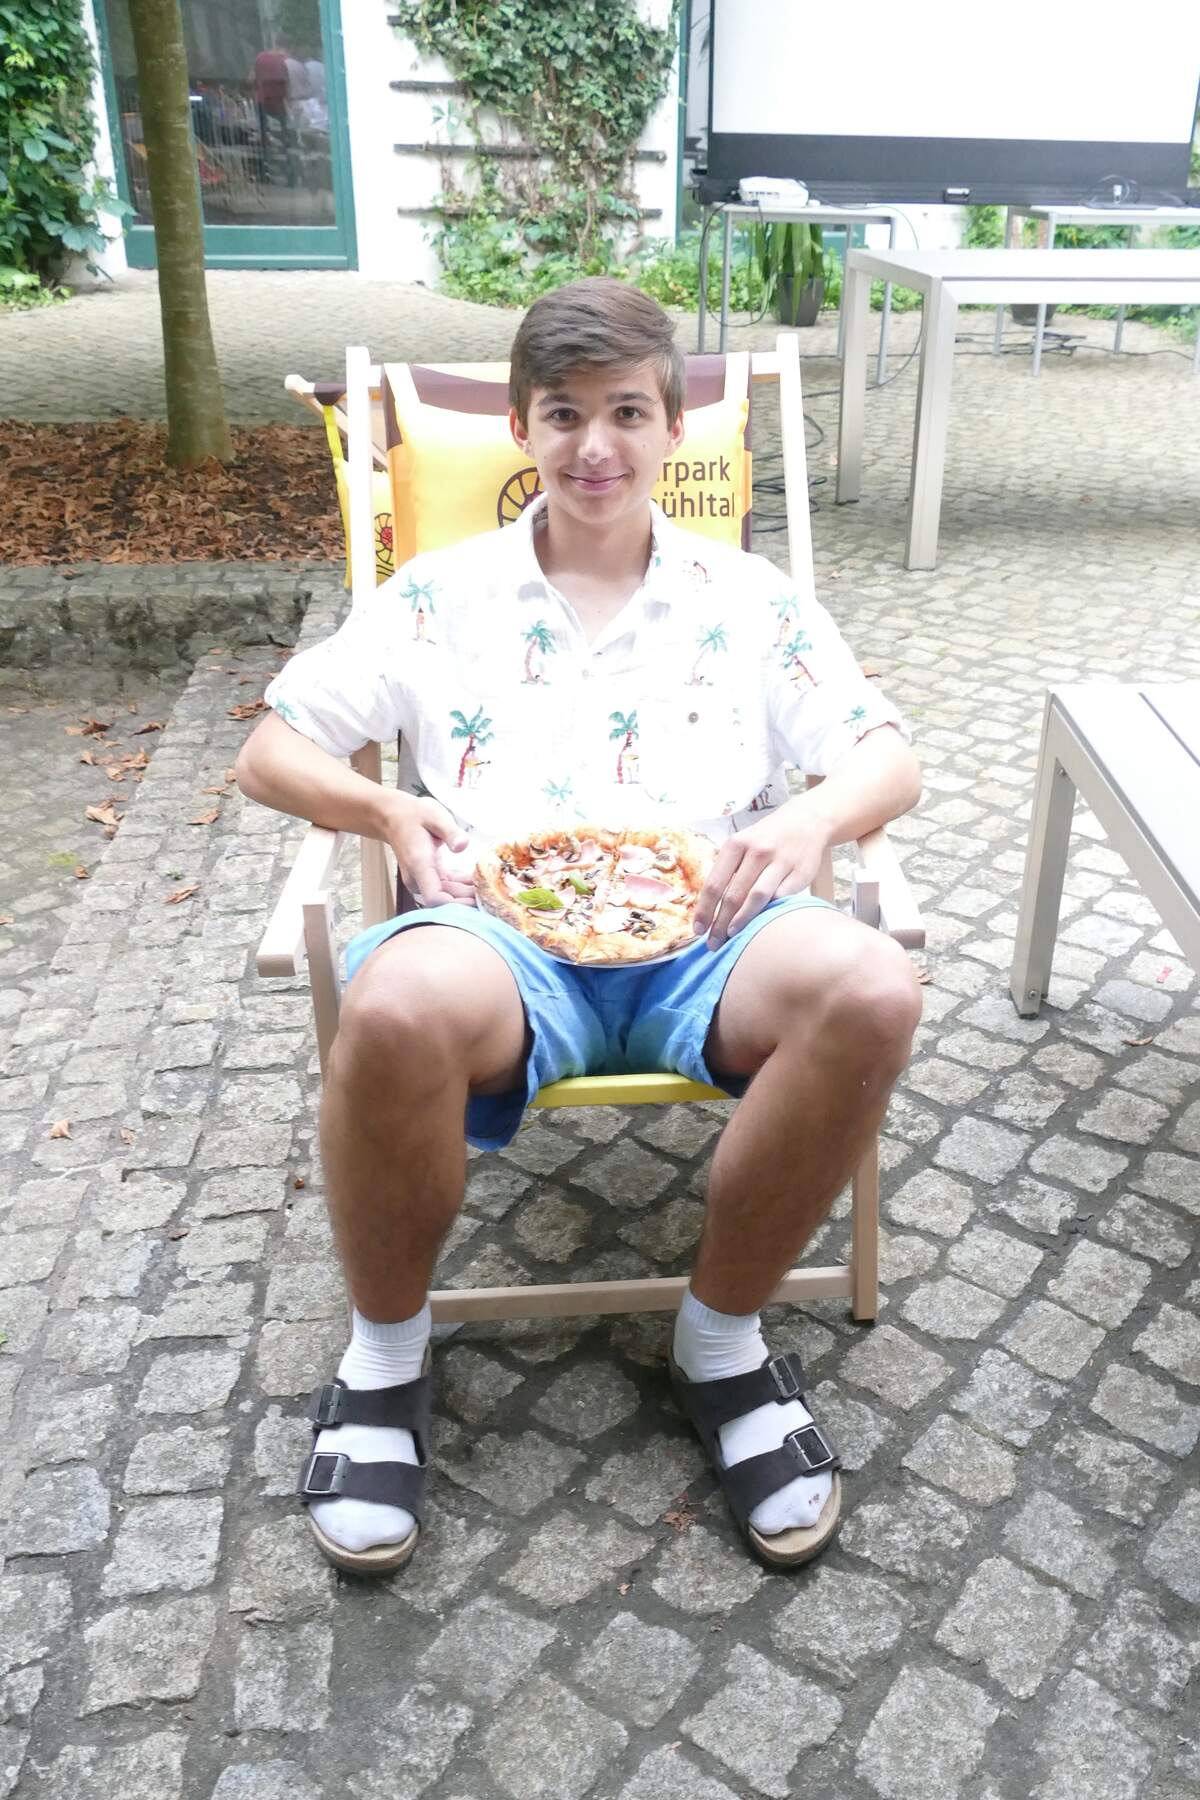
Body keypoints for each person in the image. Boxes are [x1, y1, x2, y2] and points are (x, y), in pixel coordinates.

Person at [235, 278, 923, 1577]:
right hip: (503, 933)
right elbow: (271, 750)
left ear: (673, 428)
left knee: (876, 988)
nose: (595, 445)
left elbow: (890, 759)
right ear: (521, 428)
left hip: (713, 928)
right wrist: (386, 808)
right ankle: (385, 1357)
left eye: (626, 412)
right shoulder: (438, 596)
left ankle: (721, 1341)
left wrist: (813, 818)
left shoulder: (748, 597)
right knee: (393, 1007)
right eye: (563, 414)